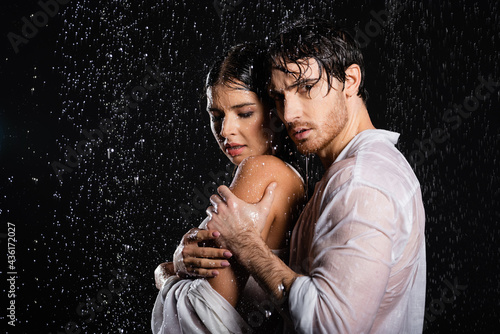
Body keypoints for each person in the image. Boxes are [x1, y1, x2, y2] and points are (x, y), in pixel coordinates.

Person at [182, 18, 427, 333]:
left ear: (351, 80)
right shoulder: (351, 173)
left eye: (306, 88)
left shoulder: (361, 182)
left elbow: (329, 325)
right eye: (281, 97)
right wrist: (176, 263)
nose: (289, 113)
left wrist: (243, 241)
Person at [151, 43, 305, 333]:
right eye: (217, 115)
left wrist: (165, 276)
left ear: (274, 111)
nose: (225, 130)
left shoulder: (261, 170)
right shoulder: (293, 176)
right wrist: (178, 264)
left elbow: (201, 317)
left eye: (244, 113)